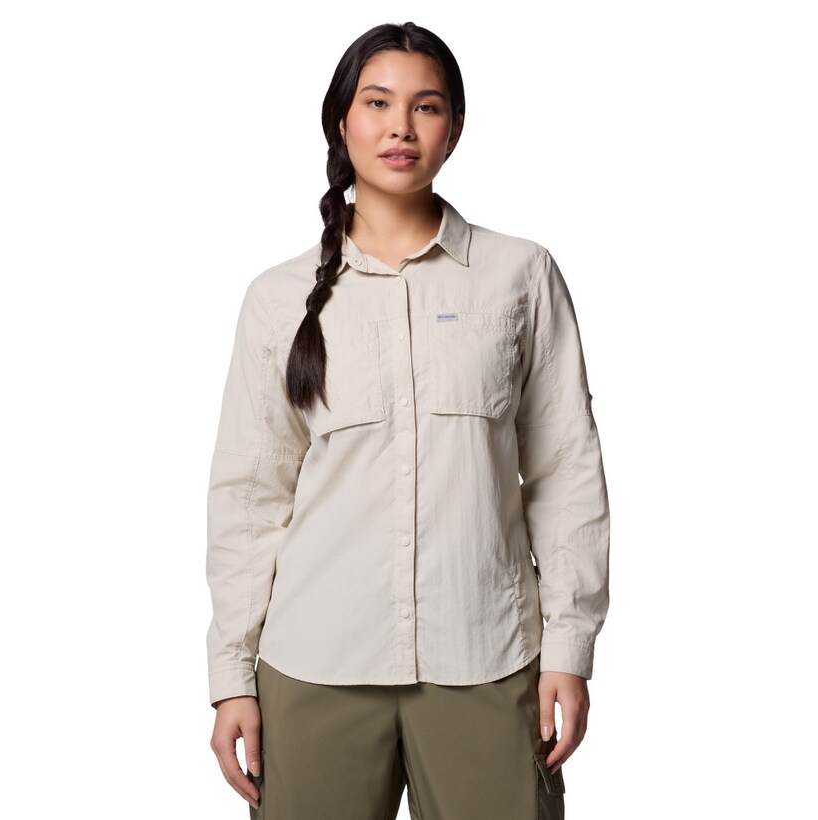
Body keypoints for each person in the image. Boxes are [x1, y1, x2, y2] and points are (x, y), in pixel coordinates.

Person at [206, 20, 610, 820]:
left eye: (426, 106)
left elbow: (566, 471)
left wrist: (569, 648)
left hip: (488, 658)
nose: (401, 127)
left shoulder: (520, 275)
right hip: (314, 663)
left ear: (452, 128)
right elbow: (249, 498)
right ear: (341, 122)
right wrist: (231, 678)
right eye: (378, 103)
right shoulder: (278, 298)